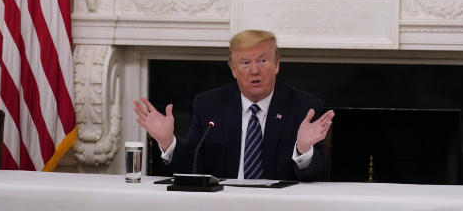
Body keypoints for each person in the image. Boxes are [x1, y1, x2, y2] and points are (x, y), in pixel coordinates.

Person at [133, 29, 334, 180]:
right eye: (245, 63)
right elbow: (191, 168)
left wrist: (304, 150)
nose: (254, 71)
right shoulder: (208, 104)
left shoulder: (303, 107)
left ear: (276, 65)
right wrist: (168, 142)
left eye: (262, 61)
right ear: (233, 69)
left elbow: (313, 175)